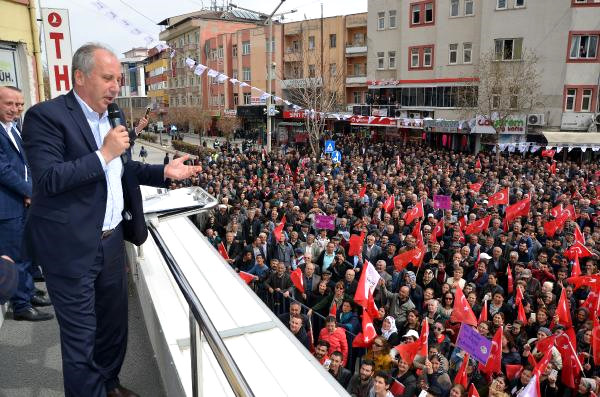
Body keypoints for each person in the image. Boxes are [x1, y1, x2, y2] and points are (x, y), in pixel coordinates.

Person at [22, 43, 201, 397]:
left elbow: (122, 169)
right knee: (81, 340)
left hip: (111, 242)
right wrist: (103, 152)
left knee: (114, 327)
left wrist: (163, 170)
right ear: (80, 77)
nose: (116, 86)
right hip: (71, 248)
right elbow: (48, 180)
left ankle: (109, 384)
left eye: (118, 79)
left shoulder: (112, 117)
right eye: (108, 78)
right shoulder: (46, 117)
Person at [0, 86, 53, 321]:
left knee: (27, 252)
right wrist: (30, 191)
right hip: (8, 205)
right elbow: (3, 170)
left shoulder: (14, 128)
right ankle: (21, 306)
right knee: (17, 255)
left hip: (22, 200)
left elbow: (25, 162)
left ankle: (29, 293)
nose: (15, 109)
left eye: (19, 105)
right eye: (9, 104)